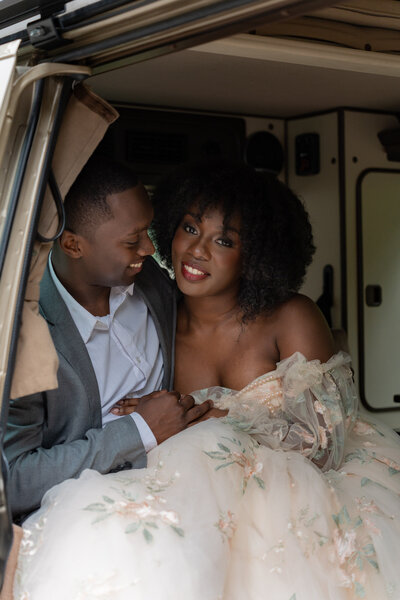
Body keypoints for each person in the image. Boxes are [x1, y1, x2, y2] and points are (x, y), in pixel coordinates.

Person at [13, 160, 400, 600]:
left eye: (225, 240)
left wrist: (205, 419)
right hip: (192, 496)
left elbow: (326, 443)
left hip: (305, 492)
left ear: (255, 253)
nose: (197, 251)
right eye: (191, 228)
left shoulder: (292, 316)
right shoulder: (159, 318)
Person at [4, 156, 211, 524]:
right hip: (87, 518)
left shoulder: (154, 284)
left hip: (189, 485)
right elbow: (15, 480)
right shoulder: (24, 333)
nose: (149, 249)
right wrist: (140, 430)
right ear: (72, 245)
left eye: (148, 231)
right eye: (133, 241)